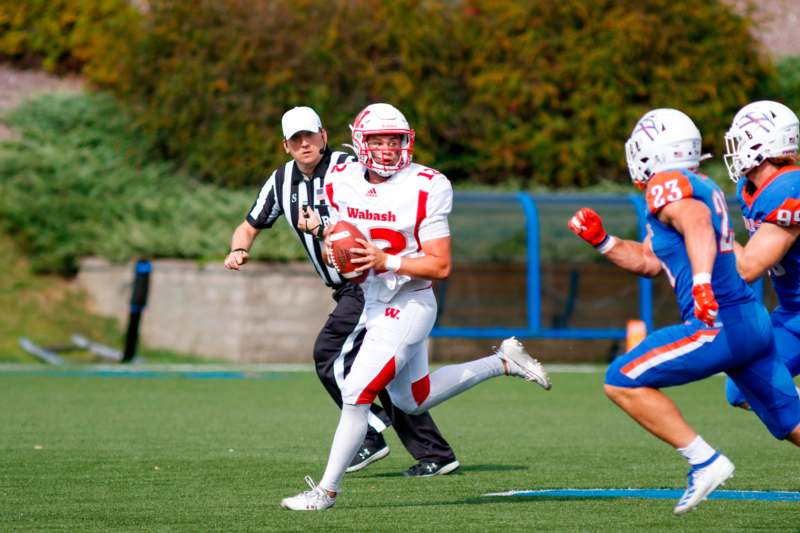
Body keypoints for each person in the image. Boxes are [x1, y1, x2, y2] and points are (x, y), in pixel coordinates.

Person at [280, 102, 552, 511]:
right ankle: (502, 362)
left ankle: (326, 492)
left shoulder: (427, 184)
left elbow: (440, 264)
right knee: (411, 400)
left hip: (409, 301)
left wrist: (386, 260)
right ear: (359, 142)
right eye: (378, 140)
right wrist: (335, 248)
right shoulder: (339, 177)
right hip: (371, 299)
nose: (387, 149)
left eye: (395, 140)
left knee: (356, 392)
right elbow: (339, 235)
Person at [568, 108, 800, 515]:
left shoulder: (670, 184)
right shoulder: (704, 185)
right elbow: (648, 259)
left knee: (621, 379)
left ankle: (705, 461)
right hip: (760, 317)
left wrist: (702, 280)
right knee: (780, 416)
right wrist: (603, 242)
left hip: (723, 320)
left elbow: (702, 228)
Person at [224, 105, 461, 478]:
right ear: (285, 145)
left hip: (372, 284)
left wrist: (328, 232)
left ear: (323, 134)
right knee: (388, 377)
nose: (305, 144)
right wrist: (240, 248)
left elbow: (375, 209)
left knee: (330, 353)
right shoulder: (281, 180)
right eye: (296, 139)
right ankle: (434, 452)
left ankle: (369, 431)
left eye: (310, 135)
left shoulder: (348, 168)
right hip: (346, 286)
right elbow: (250, 225)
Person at [722, 100, 800, 409]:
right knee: (744, 389)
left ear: (763, 143)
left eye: (740, 140)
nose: (735, 149)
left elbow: (747, 268)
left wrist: (707, 222)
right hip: (792, 312)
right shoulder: (749, 187)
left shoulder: (790, 187)